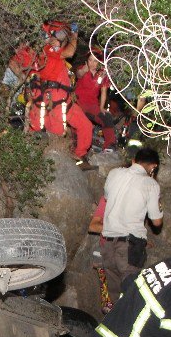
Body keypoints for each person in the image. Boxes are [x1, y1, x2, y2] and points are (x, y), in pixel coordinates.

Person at [26, 22, 97, 171]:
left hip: (65, 99)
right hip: (56, 100)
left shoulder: (51, 53)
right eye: (55, 36)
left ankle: (78, 156)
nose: (56, 39)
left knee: (86, 126)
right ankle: (55, 169)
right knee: (57, 136)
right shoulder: (48, 50)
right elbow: (70, 52)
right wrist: (74, 36)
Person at [99, 147, 162, 303]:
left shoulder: (114, 173)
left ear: (134, 160)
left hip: (107, 244)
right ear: (153, 166)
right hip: (129, 246)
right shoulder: (151, 184)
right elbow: (156, 221)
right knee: (131, 294)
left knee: (113, 295)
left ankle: (114, 323)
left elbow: (107, 197)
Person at [75, 48, 117, 152]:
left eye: (95, 61)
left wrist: (102, 107)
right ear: (87, 61)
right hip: (79, 104)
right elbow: (78, 74)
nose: (92, 63)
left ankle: (109, 147)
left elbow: (103, 92)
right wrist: (83, 71)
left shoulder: (102, 74)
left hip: (92, 106)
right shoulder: (83, 69)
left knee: (106, 116)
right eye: (90, 60)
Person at [87, 197, 114, 314]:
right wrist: (120, 230)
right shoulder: (108, 198)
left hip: (127, 253)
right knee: (108, 306)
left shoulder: (139, 198)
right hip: (108, 250)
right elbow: (93, 226)